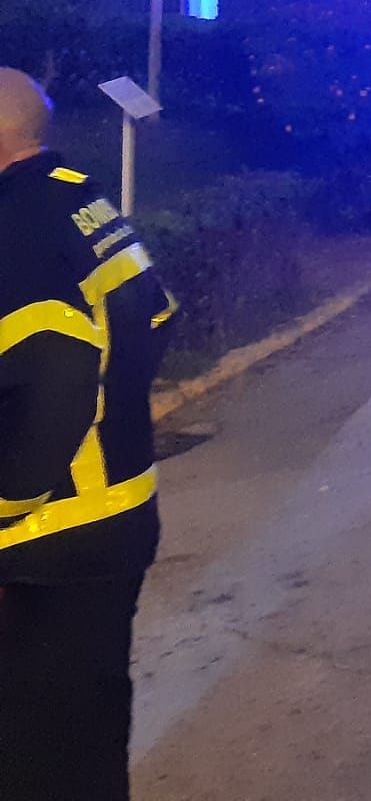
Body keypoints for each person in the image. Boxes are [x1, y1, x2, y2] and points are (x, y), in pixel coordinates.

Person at [0, 67, 176, 801]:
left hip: (43, 545)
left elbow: (58, 370)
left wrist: (8, 502)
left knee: (32, 756)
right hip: (120, 517)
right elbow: (157, 315)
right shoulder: (78, 196)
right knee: (91, 731)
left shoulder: (14, 225)